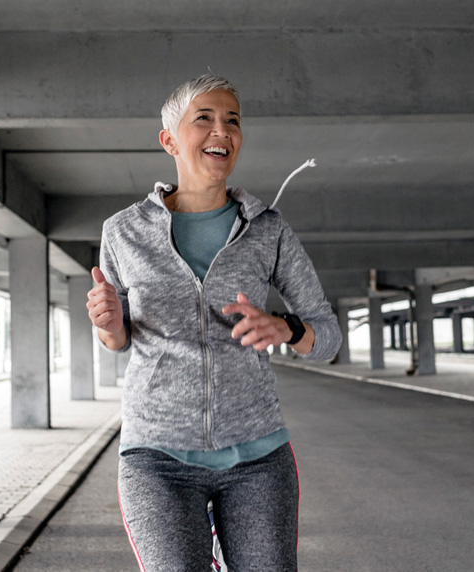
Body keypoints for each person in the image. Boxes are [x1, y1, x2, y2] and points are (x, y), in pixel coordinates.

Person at [86, 74, 341, 571]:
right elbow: (115, 340)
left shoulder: (268, 231)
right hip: (156, 455)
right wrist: (109, 322)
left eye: (232, 121)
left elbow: (327, 336)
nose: (221, 130)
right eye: (203, 118)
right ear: (169, 140)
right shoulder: (123, 231)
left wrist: (286, 328)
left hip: (257, 458)